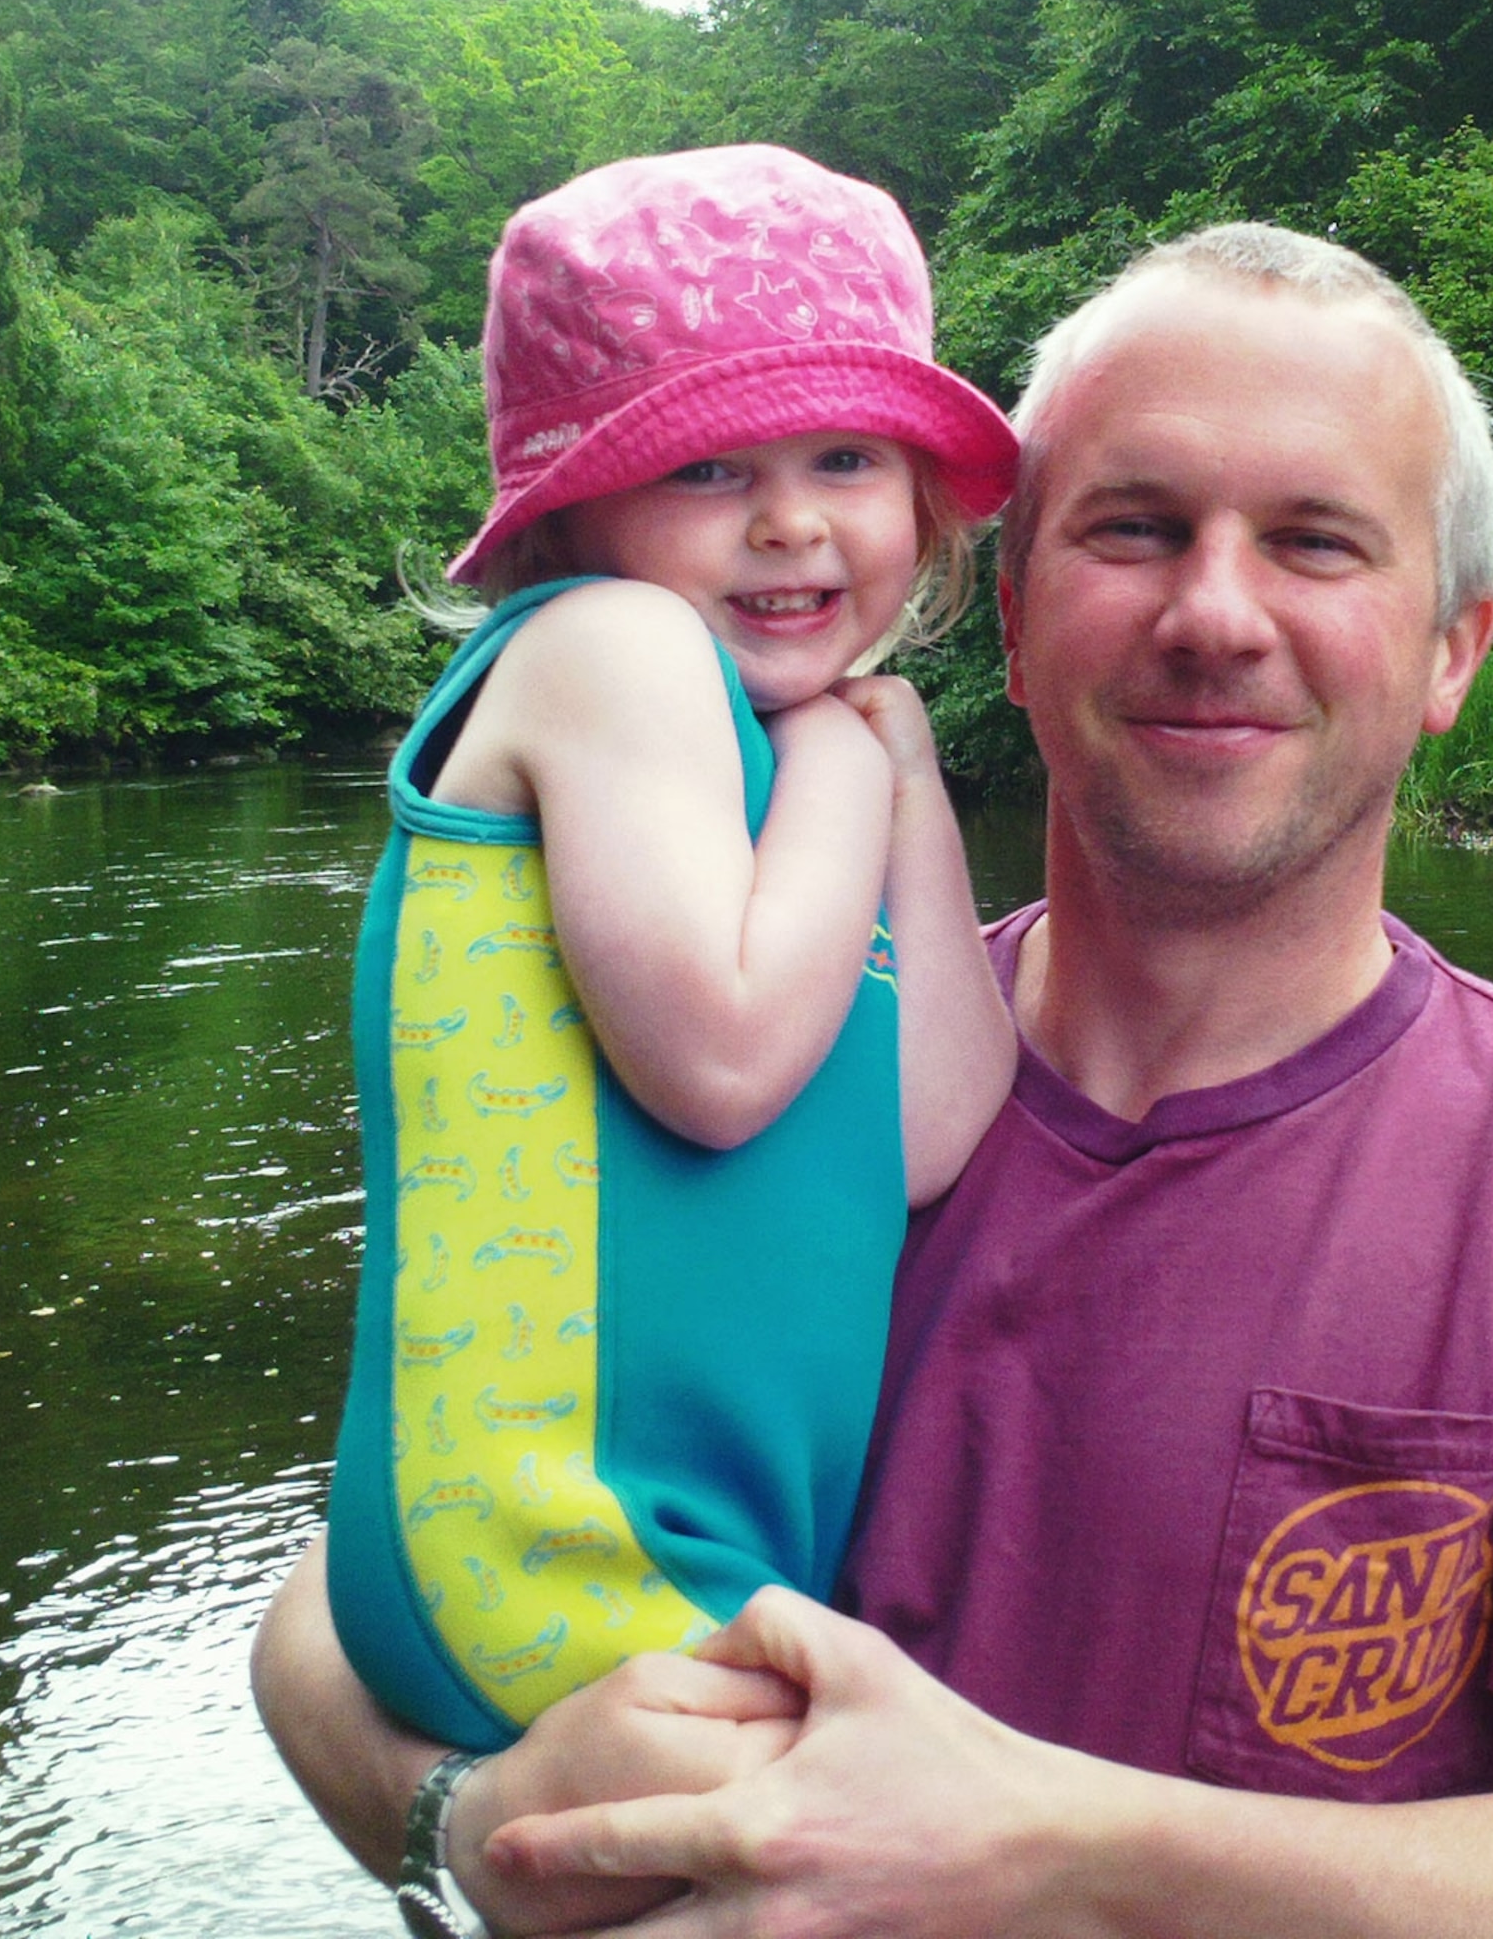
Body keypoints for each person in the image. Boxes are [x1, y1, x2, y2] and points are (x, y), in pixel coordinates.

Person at [257, 221, 1493, 1938]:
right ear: (1008, 610)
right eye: (1135, 530)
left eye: (1315, 543)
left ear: (1453, 648)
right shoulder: (785, 1044)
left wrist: (1055, 1846)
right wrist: (468, 1820)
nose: (1216, 616)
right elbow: (328, 1603)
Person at [311, 145, 1023, 1837]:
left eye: (846, 456)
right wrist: (858, 769)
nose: (790, 519)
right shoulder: (607, 656)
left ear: (916, 493)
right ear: (575, 516)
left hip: (693, 1526)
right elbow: (716, 1055)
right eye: (707, 466)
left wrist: (898, 775)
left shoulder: (779, 758)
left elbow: (928, 1131)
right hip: (553, 1532)